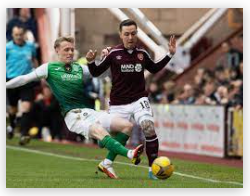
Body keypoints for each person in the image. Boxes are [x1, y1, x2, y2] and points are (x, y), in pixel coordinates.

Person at [6, 36, 144, 179]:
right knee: (99, 131)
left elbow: (102, 75)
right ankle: (130, 153)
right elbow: (24, 79)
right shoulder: (49, 68)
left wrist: (105, 60)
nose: (70, 53)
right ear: (57, 50)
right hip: (73, 116)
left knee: (127, 126)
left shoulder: (79, 68)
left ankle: (107, 163)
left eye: (72, 49)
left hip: (89, 112)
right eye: (66, 50)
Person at [86, 19, 176, 179]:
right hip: (118, 103)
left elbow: (154, 68)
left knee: (148, 128)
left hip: (139, 100)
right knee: (111, 138)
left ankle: (153, 169)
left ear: (137, 34)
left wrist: (170, 54)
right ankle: (106, 160)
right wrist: (91, 61)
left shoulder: (142, 54)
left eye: (133, 33)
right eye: (126, 34)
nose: (130, 37)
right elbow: (96, 72)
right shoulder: (113, 54)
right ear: (121, 35)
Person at [6, 24, 38, 145]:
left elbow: (34, 59)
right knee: (13, 109)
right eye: (16, 35)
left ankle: (24, 134)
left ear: (24, 34)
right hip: (12, 80)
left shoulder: (30, 46)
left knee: (26, 107)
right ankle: (12, 125)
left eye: (20, 34)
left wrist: (37, 72)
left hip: (26, 80)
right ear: (13, 35)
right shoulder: (7, 48)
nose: (18, 37)